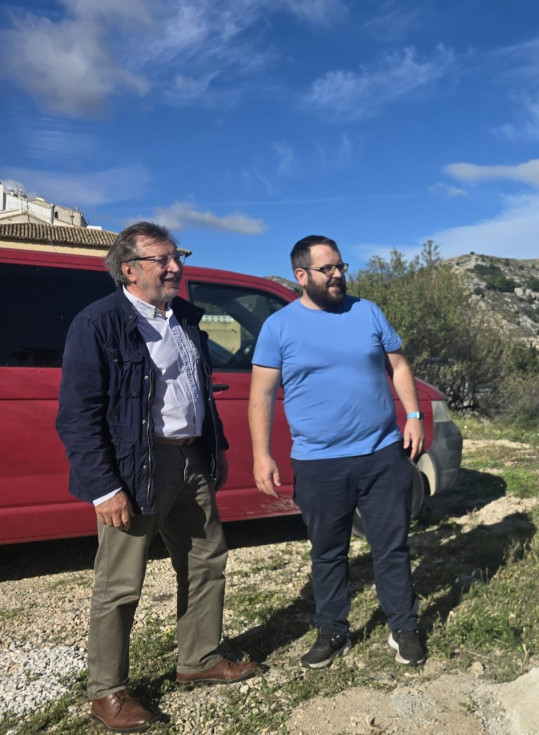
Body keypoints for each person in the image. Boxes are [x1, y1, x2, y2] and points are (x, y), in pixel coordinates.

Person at [56, 222, 259, 733]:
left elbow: (199, 391)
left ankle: (199, 658)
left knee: (207, 560)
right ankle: (107, 691)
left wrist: (217, 449)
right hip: (135, 467)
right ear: (129, 269)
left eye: (176, 257)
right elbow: (78, 415)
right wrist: (104, 487)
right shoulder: (98, 323)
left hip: (190, 458)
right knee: (120, 584)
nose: (175, 267)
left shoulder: (184, 317)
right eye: (162, 259)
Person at [249, 235, 427, 669]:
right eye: (327, 269)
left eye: (340, 267)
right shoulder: (278, 327)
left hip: (382, 453)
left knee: (391, 546)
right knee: (328, 552)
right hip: (318, 462)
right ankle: (332, 631)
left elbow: (398, 365)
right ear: (301, 275)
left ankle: (404, 627)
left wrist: (414, 415)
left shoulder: (367, 312)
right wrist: (261, 454)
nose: (337, 275)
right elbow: (261, 394)